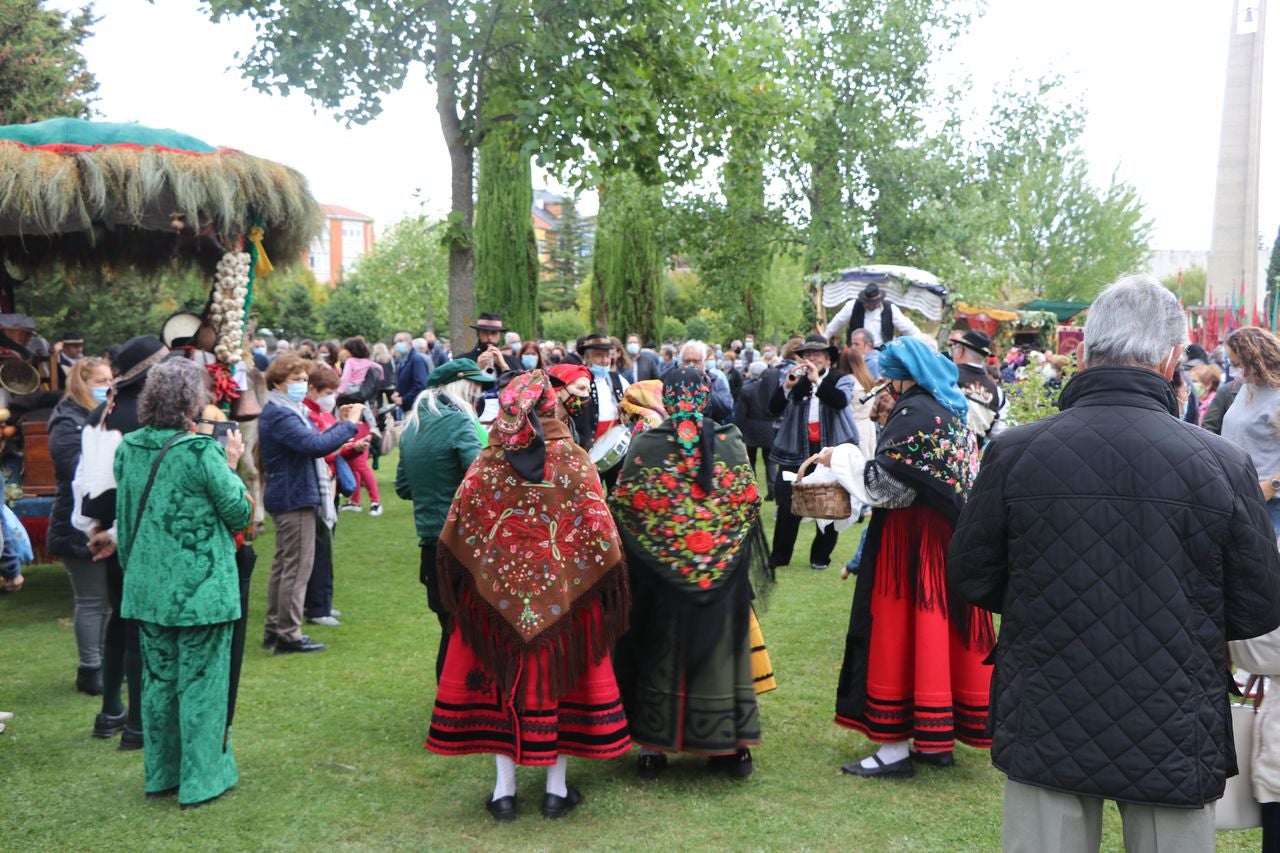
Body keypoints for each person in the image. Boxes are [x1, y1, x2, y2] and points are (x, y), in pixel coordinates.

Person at [949, 276, 1280, 852]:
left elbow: (975, 576)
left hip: (1053, 700)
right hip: (1170, 708)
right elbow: (1256, 606)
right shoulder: (1222, 463)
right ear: (1173, 357)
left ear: (1086, 351)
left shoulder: (1018, 450)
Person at [426, 371, 631, 821]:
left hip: (495, 604)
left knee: (503, 687)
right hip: (563, 601)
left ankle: (504, 793)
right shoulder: (574, 461)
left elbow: (459, 527)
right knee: (560, 683)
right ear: (550, 408)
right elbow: (601, 528)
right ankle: (556, 792)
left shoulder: (486, 462)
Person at [814, 336, 988, 777]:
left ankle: (893, 750)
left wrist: (841, 457)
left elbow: (887, 487)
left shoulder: (914, 413)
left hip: (910, 541)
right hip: (945, 540)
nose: (886, 379)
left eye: (891, 370)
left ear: (908, 374)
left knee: (899, 630)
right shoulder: (950, 409)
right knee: (935, 633)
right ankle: (935, 738)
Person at [610, 367, 775, 780]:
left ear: (668, 398)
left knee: (656, 648)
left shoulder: (647, 443)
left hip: (658, 575)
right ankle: (728, 749)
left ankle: (652, 748)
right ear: (704, 396)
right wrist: (715, 548)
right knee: (721, 653)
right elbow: (746, 501)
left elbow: (627, 502)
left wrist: (666, 545)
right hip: (720, 576)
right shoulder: (730, 441)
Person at [115, 358, 252, 808]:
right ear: (192, 401)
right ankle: (201, 779)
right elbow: (239, 512)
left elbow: (126, 514)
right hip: (201, 592)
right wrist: (231, 463)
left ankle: (162, 774)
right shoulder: (199, 452)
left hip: (148, 587)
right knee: (201, 684)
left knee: (156, 684)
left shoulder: (129, 447)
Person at [73, 334, 169, 748]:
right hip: (135, 533)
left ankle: (111, 709)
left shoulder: (99, 414)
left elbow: (85, 481)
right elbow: (137, 487)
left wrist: (93, 528)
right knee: (138, 624)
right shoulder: (144, 420)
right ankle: (138, 723)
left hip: (103, 530)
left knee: (119, 620)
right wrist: (113, 531)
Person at [395, 359, 492, 680]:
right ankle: (458, 713)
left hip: (429, 544)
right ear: (460, 387)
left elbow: (404, 487)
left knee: (449, 627)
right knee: (465, 632)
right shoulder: (459, 423)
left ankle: (451, 709)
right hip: (462, 542)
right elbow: (481, 481)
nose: (477, 395)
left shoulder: (412, 425)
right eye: (475, 388)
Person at [259, 354, 361, 654]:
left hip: (290, 494)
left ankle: (276, 628)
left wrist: (341, 426)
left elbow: (313, 440)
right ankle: (288, 633)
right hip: (294, 496)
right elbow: (313, 446)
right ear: (278, 382)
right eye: (296, 380)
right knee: (296, 568)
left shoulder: (285, 410)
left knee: (284, 567)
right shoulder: (282, 414)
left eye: (304, 380)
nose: (302, 385)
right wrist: (351, 425)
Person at [49, 356, 113, 695]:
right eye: (100, 380)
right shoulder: (67, 418)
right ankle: (90, 669)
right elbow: (70, 464)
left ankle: (104, 661)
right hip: (75, 522)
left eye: (109, 378)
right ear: (82, 383)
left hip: (97, 518)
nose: (107, 384)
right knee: (91, 600)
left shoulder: (102, 416)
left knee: (106, 602)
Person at [767, 334, 858, 571]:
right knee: (787, 505)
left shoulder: (841, 379)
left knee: (830, 504)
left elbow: (839, 401)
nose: (811, 358)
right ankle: (779, 556)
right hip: (797, 451)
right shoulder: (795, 379)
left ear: (828, 359)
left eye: (817, 354)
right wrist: (787, 385)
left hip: (831, 451)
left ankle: (820, 557)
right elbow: (772, 408)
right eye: (807, 354)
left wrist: (817, 381)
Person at [1222, 327, 1280, 535]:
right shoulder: (1248, 387)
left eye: (1240, 365)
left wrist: (1272, 486)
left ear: (1258, 360)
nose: (1240, 373)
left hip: (1269, 503)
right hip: (1237, 495)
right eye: (1233, 365)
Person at [300, 365, 345, 627]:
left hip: (330, 485)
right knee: (319, 549)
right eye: (328, 393)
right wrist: (340, 444)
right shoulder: (308, 414)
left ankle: (320, 602)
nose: (332, 399)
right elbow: (320, 448)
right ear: (313, 389)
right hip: (319, 486)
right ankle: (317, 607)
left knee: (324, 548)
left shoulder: (320, 413)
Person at [947, 329, 1005, 446]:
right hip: (970, 458)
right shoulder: (997, 392)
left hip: (935, 449)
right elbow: (999, 433)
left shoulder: (946, 375)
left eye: (954, 347)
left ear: (961, 350)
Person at [824, 283, 924, 348]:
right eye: (869, 303)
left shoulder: (890, 308)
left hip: (882, 350)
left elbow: (908, 328)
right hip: (856, 352)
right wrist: (823, 340)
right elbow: (835, 324)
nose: (872, 306)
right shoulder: (852, 306)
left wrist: (922, 344)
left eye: (875, 303)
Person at [734, 361, 779, 501]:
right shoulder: (772, 389)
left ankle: (752, 491)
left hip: (751, 430)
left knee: (751, 461)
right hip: (769, 429)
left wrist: (738, 432)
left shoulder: (746, 389)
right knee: (770, 463)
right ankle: (773, 490)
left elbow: (740, 414)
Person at [391, 331, 431, 414]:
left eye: (400, 341)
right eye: (396, 342)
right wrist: (397, 393)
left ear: (409, 342)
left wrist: (404, 399)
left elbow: (421, 385)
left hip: (416, 407)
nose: (397, 344)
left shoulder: (416, 360)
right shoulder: (401, 361)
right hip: (406, 407)